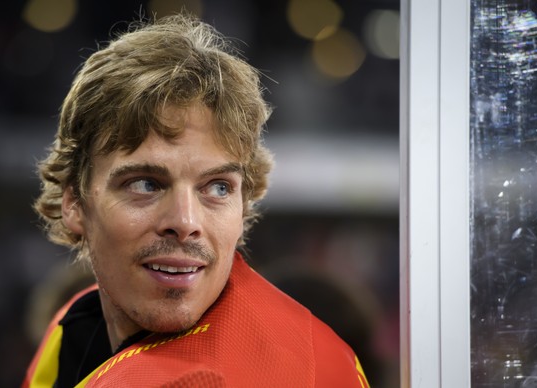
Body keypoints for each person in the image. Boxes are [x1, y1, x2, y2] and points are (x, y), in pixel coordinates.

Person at [22, 12, 370, 388]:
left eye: (218, 187)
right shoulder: (71, 330)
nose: (186, 221)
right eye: (146, 184)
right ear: (74, 202)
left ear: (244, 204)